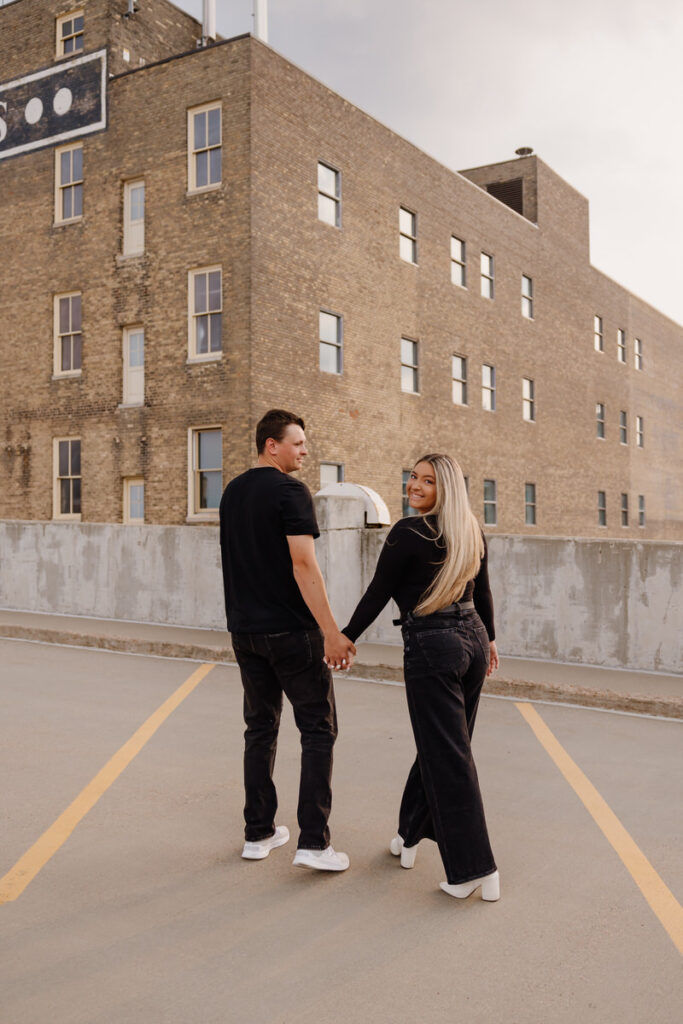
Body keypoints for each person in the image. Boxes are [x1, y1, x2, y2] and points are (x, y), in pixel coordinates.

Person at [341, 454, 501, 901]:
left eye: (427, 481)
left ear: (444, 489)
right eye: (413, 476)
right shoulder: (469, 530)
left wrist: (345, 637)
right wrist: (489, 641)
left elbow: (379, 592)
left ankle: (475, 869)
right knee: (445, 747)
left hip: (434, 645)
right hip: (471, 637)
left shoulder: (408, 532)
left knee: (448, 757)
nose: (415, 485)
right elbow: (482, 590)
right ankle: (409, 835)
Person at [219, 409, 355, 872]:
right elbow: (303, 565)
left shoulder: (232, 492)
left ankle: (258, 833)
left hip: (245, 632)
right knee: (319, 730)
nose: (304, 451)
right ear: (270, 445)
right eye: (297, 443)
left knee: (260, 730)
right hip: (291, 635)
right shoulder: (290, 492)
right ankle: (313, 843)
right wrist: (332, 632)